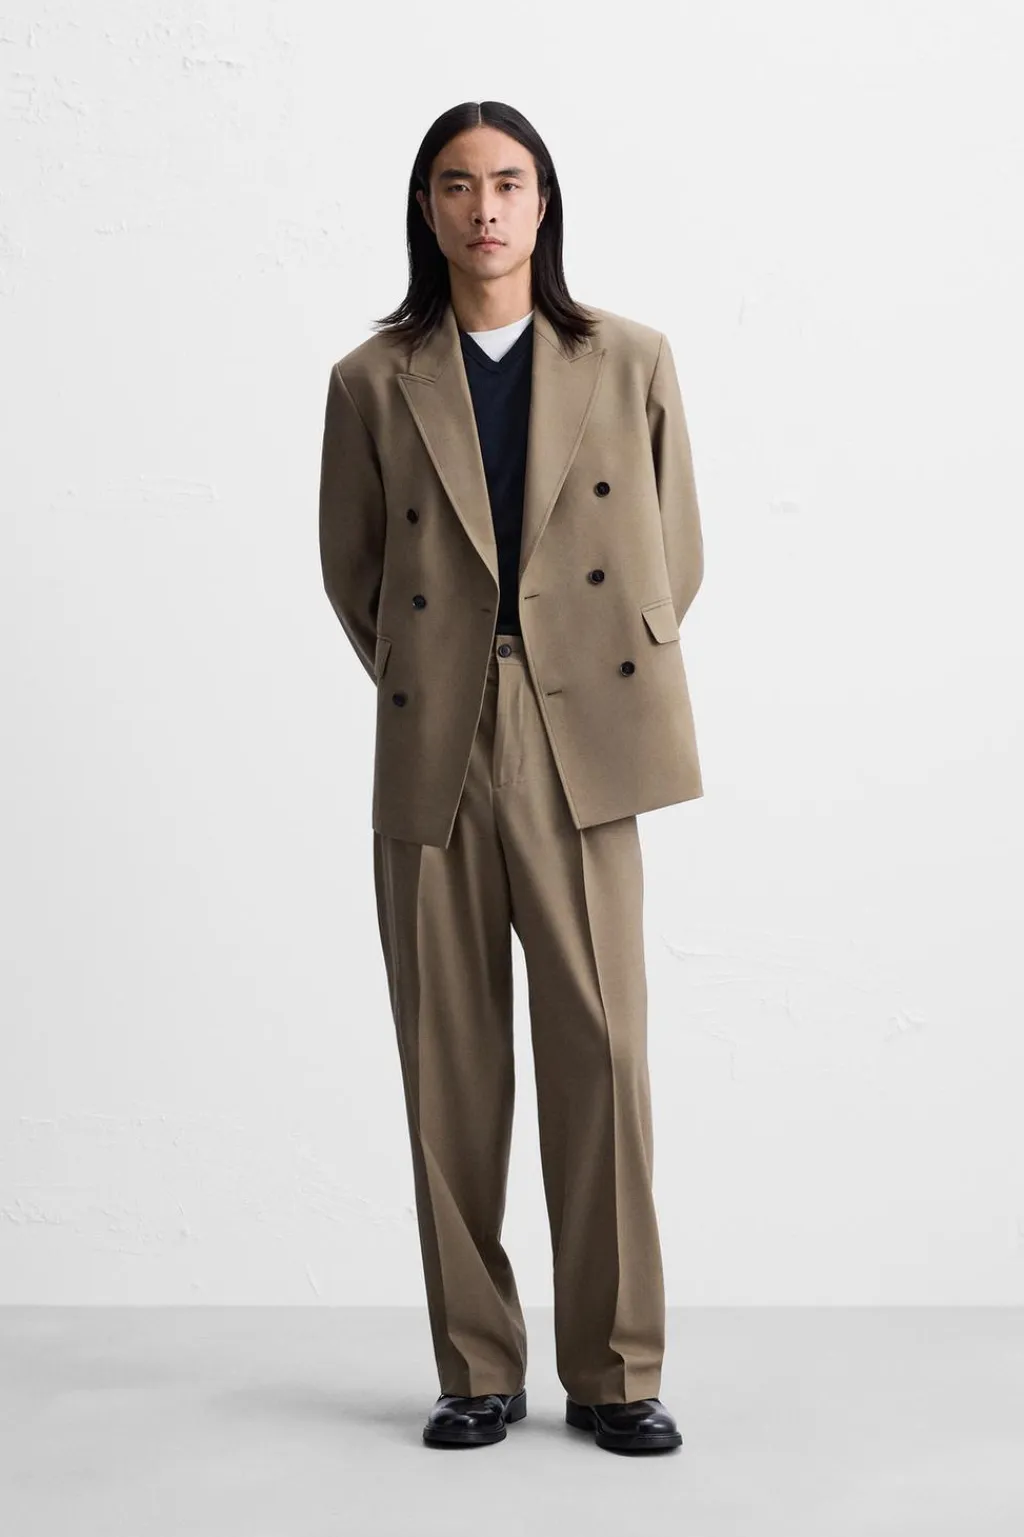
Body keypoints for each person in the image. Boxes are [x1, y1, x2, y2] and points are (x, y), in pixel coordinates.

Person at [318, 100, 704, 1455]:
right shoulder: (372, 379)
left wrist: (582, 665)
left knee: (603, 1046)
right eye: (455, 184)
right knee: (450, 1060)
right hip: (437, 726)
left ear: (545, 205)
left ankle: (616, 1369)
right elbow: (353, 571)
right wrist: (437, 673)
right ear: (426, 210)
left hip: (581, 725)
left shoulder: (629, 357)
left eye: (508, 181)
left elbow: (675, 552)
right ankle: (476, 1366)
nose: (483, 207)